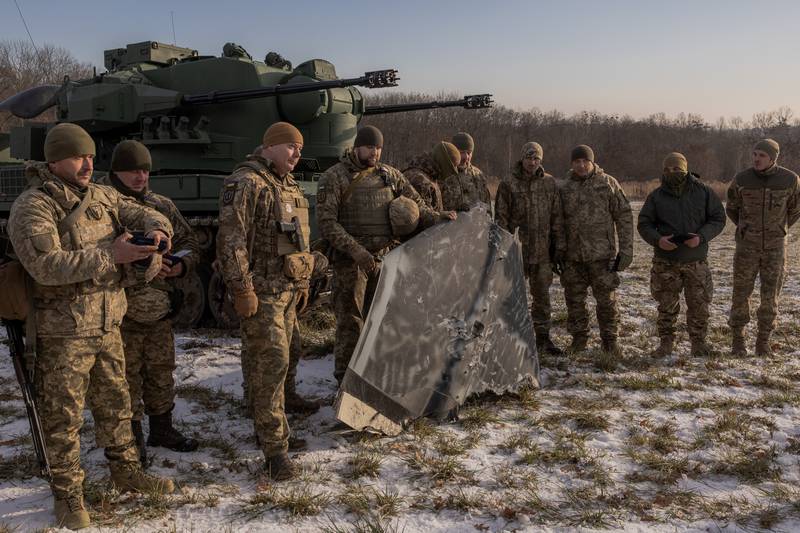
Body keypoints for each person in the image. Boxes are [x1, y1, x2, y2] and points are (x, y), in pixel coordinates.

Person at [7, 123, 175, 530]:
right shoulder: (34, 206)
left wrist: (158, 230)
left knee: (117, 406)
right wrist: (110, 255)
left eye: (90, 157)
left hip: (107, 324)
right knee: (62, 420)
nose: (88, 164)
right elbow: (45, 267)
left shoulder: (101, 195)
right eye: (78, 157)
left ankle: (127, 471)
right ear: (53, 160)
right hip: (61, 334)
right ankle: (67, 495)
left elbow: (143, 209)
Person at [216, 122, 322, 480]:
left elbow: (298, 241)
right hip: (262, 293)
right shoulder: (247, 183)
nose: (297, 154)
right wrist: (242, 289)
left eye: (300, 148)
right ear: (270, 146)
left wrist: (303, 282)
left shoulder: (286, 185)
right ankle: (276, 451)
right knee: (271, 362)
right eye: (291, 146)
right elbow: (231, 241)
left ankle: (272, 414)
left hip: (288, 290)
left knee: (288, 353)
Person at [317, 125, 456, 385]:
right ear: (357, 146)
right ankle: (345, 381)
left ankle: (372, 375)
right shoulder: (334, 177)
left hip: (382, 259)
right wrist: (356, 251)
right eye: (370, 147)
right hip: (351, 263)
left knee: (379, 320)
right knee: (351, 323)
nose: (375, 152)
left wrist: (438, 218)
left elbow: (418, 204)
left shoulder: (389, 175)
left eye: (378, 148)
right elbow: (327, 224)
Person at [99, 140, 200, 464]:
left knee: (160, 371)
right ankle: (131, 439)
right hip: (118, 311)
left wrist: (182, 264)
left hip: (158, 307)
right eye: (133, 170)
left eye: (145, 170)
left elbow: (191, 243)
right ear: (116, 171)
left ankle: (162, 428)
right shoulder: (102, 204)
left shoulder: (161, 205)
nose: (141, 176)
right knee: (123, 378)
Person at [637, 152, 726, 357]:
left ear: (685, 169)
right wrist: (658, 240)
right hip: (665, 262)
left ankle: (699, 344)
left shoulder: (703, 192)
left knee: (699, 305)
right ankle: (666, 343)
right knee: (666, 306)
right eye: (667, 170)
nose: (672, 173)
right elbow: (644, 223)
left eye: (677, 169)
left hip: (696, 261)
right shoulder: (656, 196)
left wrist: (701, 237)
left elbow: (718, 218)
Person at [726, 138, 800, 356]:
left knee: (770, 296)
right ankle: (738, 341)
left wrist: (777, 229)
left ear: (773, 158)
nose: (757, 159)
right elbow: (732, 208)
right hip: (746, 247)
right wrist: (746, 229)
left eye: (762, 155)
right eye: (755, 154)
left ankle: (763, 342)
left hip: (776, 249)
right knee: (740, 294)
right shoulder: (741, 179)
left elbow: (795, 210)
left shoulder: (790, 180)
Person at [559, 145, 633, 356]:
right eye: (577, 162)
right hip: (573, 257)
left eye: (585, 161)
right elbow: (557, 221)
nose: (581, 165)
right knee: (574, 301)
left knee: (607, 302)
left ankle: (610, 341)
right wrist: (558, 250)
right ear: (571, 164)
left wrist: (626, 250)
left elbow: (624, 216)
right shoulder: (564, 187)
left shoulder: (608, 183)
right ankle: (579, 339)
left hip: (602, 256)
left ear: (592, 162)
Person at [495, 142, 565, 355]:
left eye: (536, 159)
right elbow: (501, 219)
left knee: (542, 297)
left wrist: (558, 246)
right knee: (513, 297)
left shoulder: (549, 183)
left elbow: (557, 217)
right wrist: (504, 249)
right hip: (517, 252)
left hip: (542, 252)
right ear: (522, 158)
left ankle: (543, 339)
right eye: (529, 158)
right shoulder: (508, 183)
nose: (532, 162)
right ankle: (512, 340)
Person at [438, 132, 491, 211]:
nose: (466, 157)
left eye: (469, 153)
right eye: (461, 152)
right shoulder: (443, 174)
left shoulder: (479, 176)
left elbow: (487, 208)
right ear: (454, 152)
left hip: (474, 222)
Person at [402, 141, 461, 210]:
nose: (449, 174)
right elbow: (423, 216)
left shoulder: (431, 176)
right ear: (443, 163)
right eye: (451, 168)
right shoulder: (420, 180)